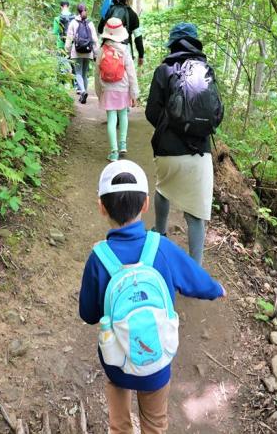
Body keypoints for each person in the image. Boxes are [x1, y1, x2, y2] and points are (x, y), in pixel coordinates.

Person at [79, 160, 225, 434]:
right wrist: (216, 288)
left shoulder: (99, 258)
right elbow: (195, 279)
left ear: (101, 207)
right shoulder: (161, 248)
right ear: (146, 204)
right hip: (156, 363)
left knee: (118, 422)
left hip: (116, 361)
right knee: (155, 423)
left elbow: (88, 314)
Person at [145, 23, 223, 265]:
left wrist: (169, 126)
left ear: (173, 44)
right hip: (200, 152)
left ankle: (160, 233)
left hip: (168, 151)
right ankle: (195, 269)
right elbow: (217, 113)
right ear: (195, 43)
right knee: (195, 216)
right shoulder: (206, 70)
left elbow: (150, 112)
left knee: (162, 188)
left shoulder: (164, 70)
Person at [95, 18, 138, 162]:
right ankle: (123, 144)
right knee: (123, 115)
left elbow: (96, 73)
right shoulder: (125, 49)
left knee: (111, 119)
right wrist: (134, 93)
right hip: (123, 87)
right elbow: (131, 72)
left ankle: (114, 152)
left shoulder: (102, 50)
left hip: (107, 88)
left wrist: (98, 91)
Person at [98, 0, 145, 67]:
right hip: (124, 51)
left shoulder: (109, 10)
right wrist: (141, 55)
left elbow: (100, 29)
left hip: (107, 50)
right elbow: (138, 38)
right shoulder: (133, 15)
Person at [65, 3, 99, 104]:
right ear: (86, 10)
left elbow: (69, 39)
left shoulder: (73, 23)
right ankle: (84, 92)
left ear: (77, 11)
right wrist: (96, 53)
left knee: (78, 73)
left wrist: (67, 51)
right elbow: (95, 39)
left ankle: (83, 91)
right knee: (84, 73)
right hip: (88, 52)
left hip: (77, 52)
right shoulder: (90, 23)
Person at [52, 0, 77, 91]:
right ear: (68, 6)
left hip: (61, 44)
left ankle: (60, 84)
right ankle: (75, 85)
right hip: (71, 45)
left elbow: (55, 32)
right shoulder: (74, 18)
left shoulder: (57, 18)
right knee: (73, 64)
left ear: (61, 7)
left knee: (60, 63)